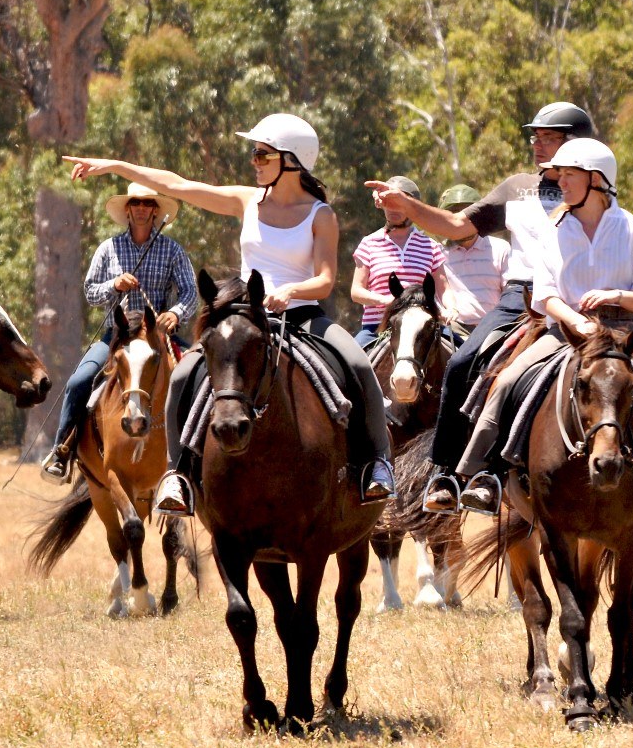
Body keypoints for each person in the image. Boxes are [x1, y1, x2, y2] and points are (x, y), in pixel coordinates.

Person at [61, 113, 394, 517]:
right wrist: (114, 166)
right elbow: (177, 185)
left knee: (358, 364)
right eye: (254, 154)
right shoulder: (247, 201)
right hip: (244, 317)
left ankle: (378, 465)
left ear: (291, 160)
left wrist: (290, 290)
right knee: (183, 374)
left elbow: (324, 281)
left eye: (261, 154)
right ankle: (177, 476)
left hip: (303, 314)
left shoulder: (320, 215)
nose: (254, 161)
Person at [451, 138, 633, 523]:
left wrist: (618, 295)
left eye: (569, 175)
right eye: (559, 175)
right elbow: (545, 296)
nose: (560, 182)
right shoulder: (553, 231)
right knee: (507, 381)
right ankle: (483, 476)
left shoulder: (632, 230)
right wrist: (574, 319)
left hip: (626, 335)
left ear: (596, 180)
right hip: (566, 334)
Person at [364, 100, 594, 514]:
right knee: (461, 363)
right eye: (535, 137)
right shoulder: (517, 188)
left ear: (575, 144)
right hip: (521, 300)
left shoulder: (594, 192)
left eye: (549, 138)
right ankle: (451, 474)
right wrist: (407, 205)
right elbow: (454, 227)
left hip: (580, 297)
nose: (538, 145)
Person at [40, 183, 197, 484]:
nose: (141, 208)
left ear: (155, 211)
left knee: (199, 376)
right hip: (117, 336)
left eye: (147, 203)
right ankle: (62, 450)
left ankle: (197, 459)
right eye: (135, 203)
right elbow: (89, 291)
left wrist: (175, 313)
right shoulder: (108, 249)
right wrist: (114, 285)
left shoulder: (172, 250)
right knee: (80, 381)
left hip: (157, 339)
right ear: (128, 209)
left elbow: (190, 292)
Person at [349, 176, 446, 345]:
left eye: (398, 204)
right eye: (389, 203)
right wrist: (385, 300)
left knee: (461, 356)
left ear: (412, 207)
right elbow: (356, 291)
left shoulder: (430, 246)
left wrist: (450, 309)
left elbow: (444, 289)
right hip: (377, 327)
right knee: (350, 362)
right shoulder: (369, 243)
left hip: (423, 326)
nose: (393, 209)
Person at [435, 183, 509, 345]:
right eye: (455, 213)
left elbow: (509, 294)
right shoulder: (437, 253)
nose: (462, 220)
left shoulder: (500, 249)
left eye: (467, 213)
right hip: (452, 329)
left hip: (492, 328)